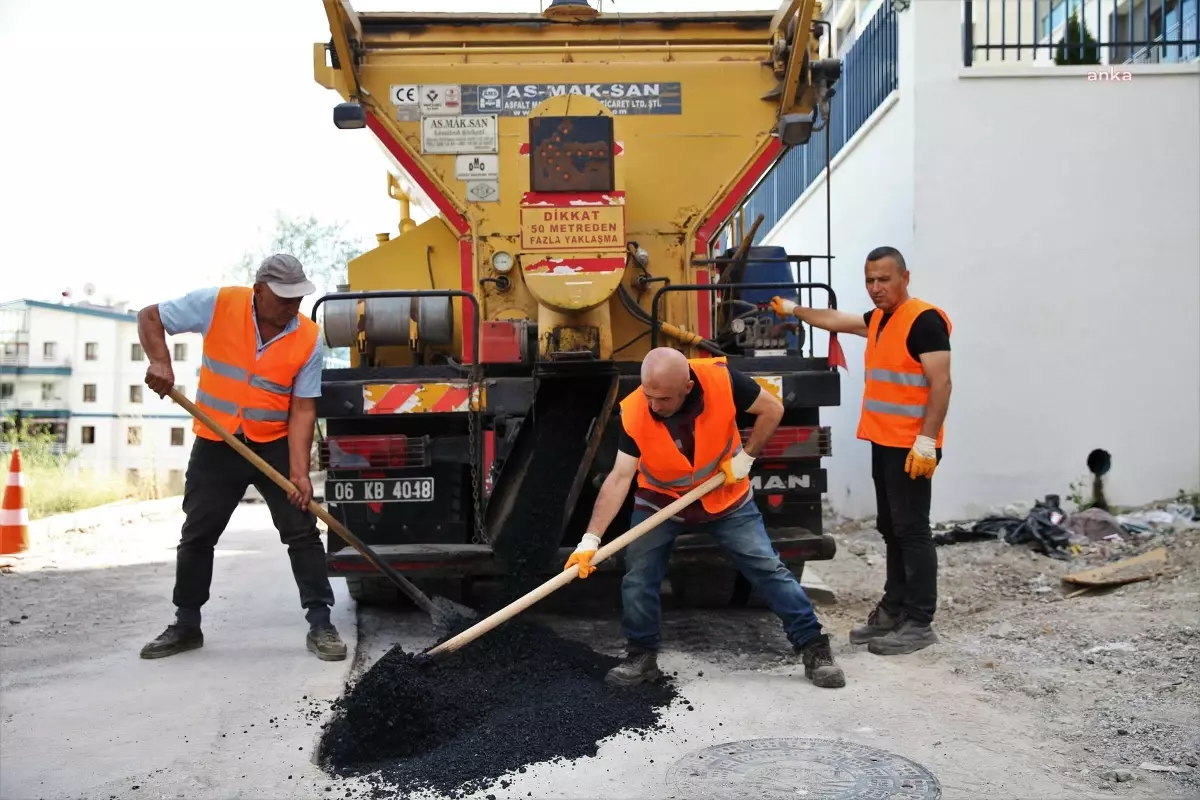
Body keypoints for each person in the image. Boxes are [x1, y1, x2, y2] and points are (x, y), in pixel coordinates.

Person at [565, 347, 845, 689]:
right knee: (638, 576)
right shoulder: (635, 410)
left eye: (663, 398)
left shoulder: (720, 380)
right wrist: (590, 540)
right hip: (660, 501)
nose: (653, 406)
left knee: (767, 568)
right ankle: (641, 655)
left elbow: (772, 408)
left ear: (686, 386)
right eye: (649, 395)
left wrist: (747, 457)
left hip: (725, 497)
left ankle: (815, 648)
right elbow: (620, 477)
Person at [136, 255, 346, 662]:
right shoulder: (219, 304)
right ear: (259, 290)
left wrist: (300, 474)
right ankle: (186, 624)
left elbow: (303, 408)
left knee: (301, 532)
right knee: (198, 534)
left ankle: (321, 623)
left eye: (298, 297)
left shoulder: (307, 337)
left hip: (272, 443)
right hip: (216, 441)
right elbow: (149, 317)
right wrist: (161, 361)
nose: (292, 306)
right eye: (284, 298)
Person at [770, 245, 951, 656]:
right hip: (885, 442)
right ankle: (893, 610)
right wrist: (794, 309)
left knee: (913, 532)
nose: (875, 288)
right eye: (869, 280)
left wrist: (927, 441)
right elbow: (837, 319)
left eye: (883, 280)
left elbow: (941, 384)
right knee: (891, 529)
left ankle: (919, 622)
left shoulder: (924, 321)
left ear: (905, 277)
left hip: (912, 447)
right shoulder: (881, 320)